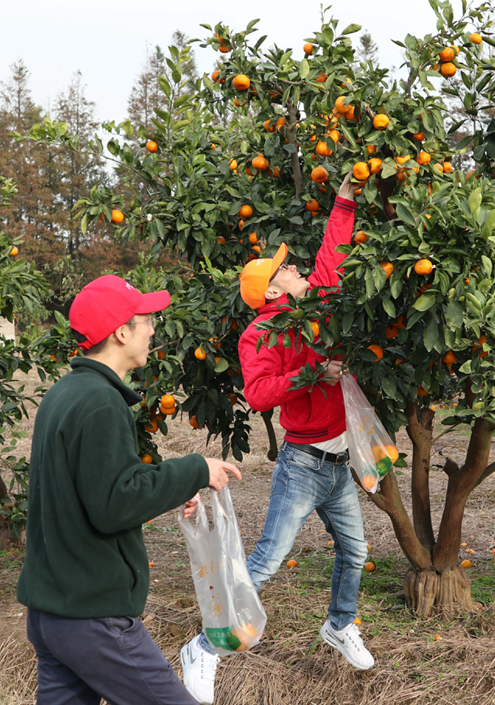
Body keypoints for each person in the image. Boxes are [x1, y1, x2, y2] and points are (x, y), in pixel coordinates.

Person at [181, 174, 373, 704]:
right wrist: (312, 377)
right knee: (266, 561)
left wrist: (347, 197)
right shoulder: (260, 333)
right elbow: (261, 393)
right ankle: (205, 647)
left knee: (355, 551)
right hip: (304, 464)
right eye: (283, 268)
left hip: (338, 462)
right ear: (269, 291)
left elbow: (335, 249)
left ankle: (339, 624)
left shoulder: (318, 301)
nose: (293, 267)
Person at [17, 274, 242, 705]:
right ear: (122, 332)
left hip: (52, 611)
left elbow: (93, 485)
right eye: (146, 320)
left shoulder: (64, 393)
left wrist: (169, 487)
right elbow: (113, 504)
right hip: (92, 617)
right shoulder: (101, 402)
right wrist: (195, 469)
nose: (154, 328)